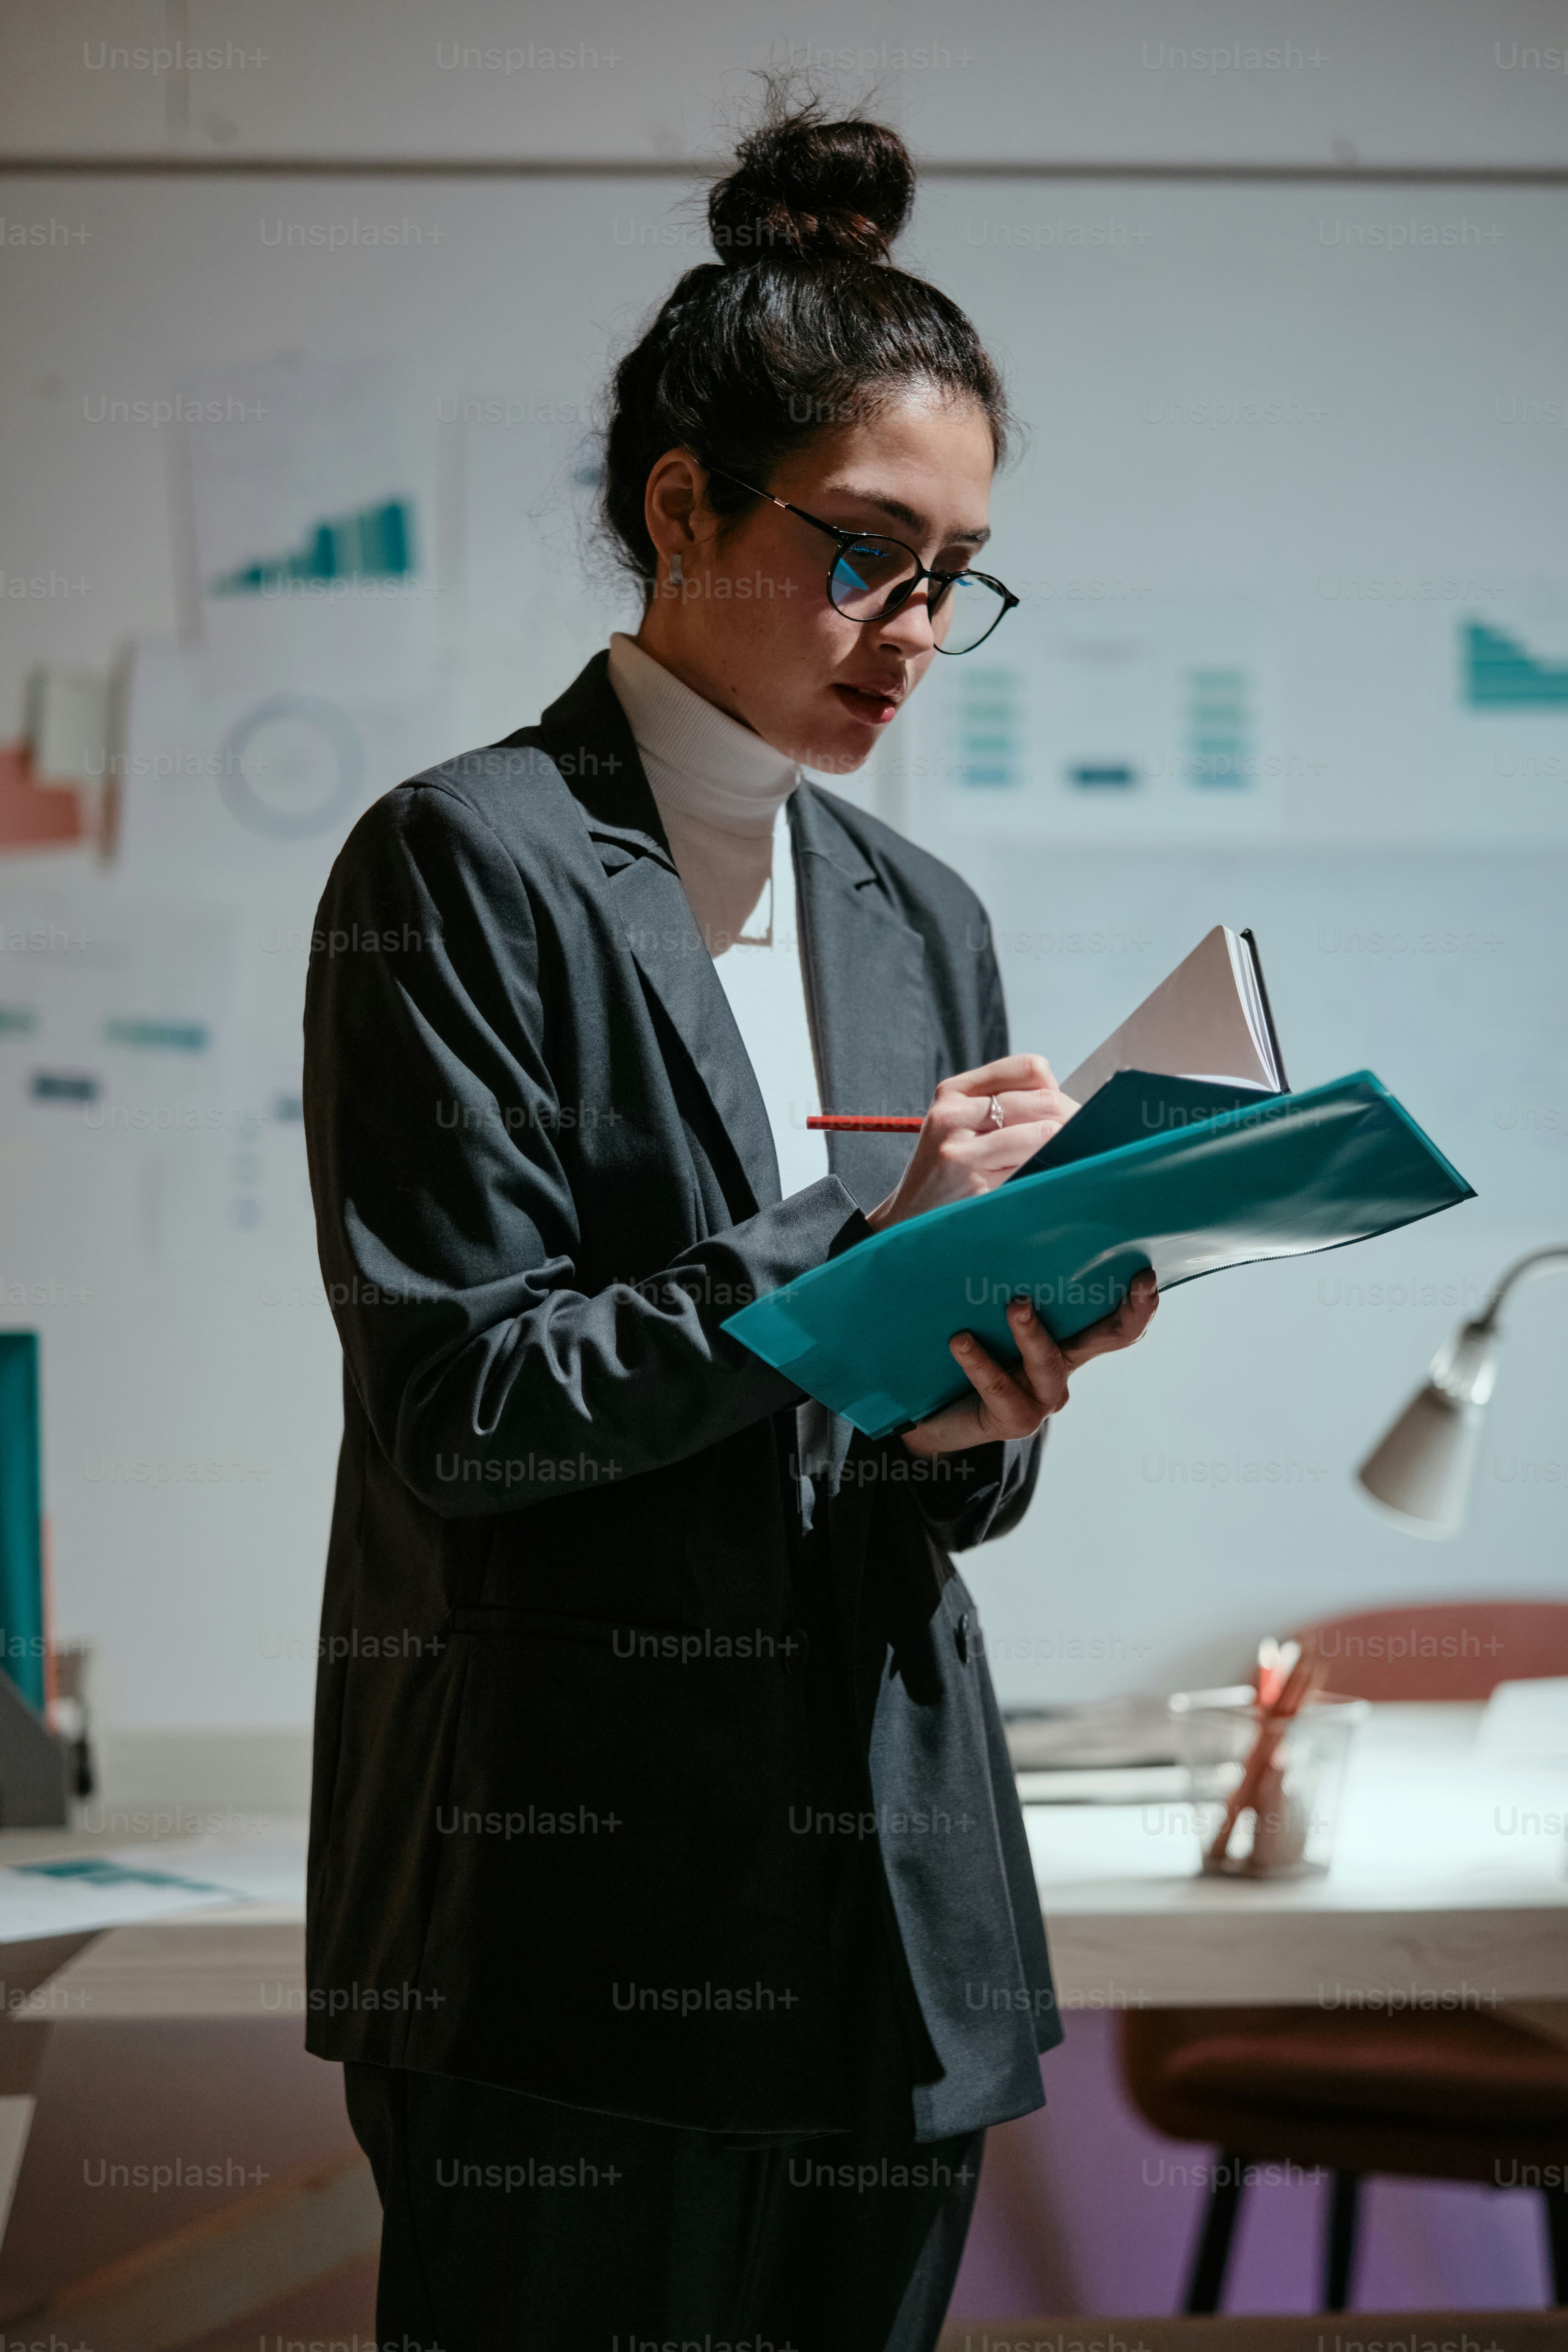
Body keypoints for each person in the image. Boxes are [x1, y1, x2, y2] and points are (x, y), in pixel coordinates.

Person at [302, 93, 1157, 2352]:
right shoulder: (459, 864)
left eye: (953, 570)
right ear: (680, 511)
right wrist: (856, 1239)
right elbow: (463, 1405)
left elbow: (909, 1474)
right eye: (865, 549)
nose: (910, 628)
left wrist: (995, 1382)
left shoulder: (918, 908)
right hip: (573, 1931)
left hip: (893, 1908)